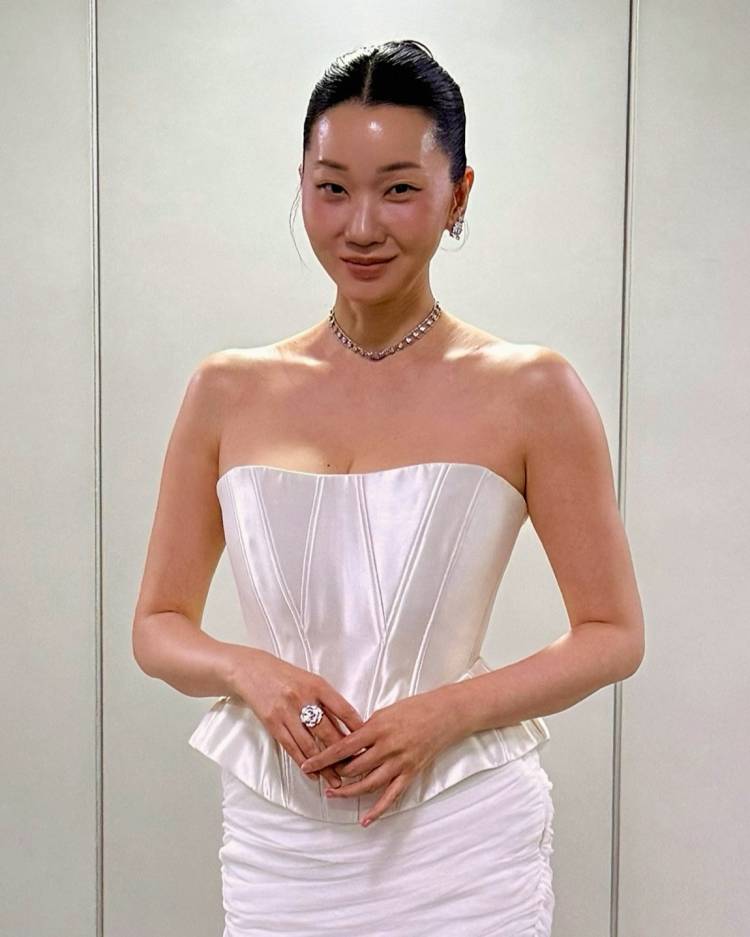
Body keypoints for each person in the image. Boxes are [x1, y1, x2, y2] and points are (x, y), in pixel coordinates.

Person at [132, 38, 645, 937]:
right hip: (280, 841)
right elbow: (158, 624)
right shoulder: (226, 389)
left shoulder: (532, 389)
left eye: (399, 189)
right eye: (332, 188)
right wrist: (251, 671)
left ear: (459, 194)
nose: (361, 225)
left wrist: (442, 713)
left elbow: (613, 633)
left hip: (462, 832)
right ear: (301, 186)